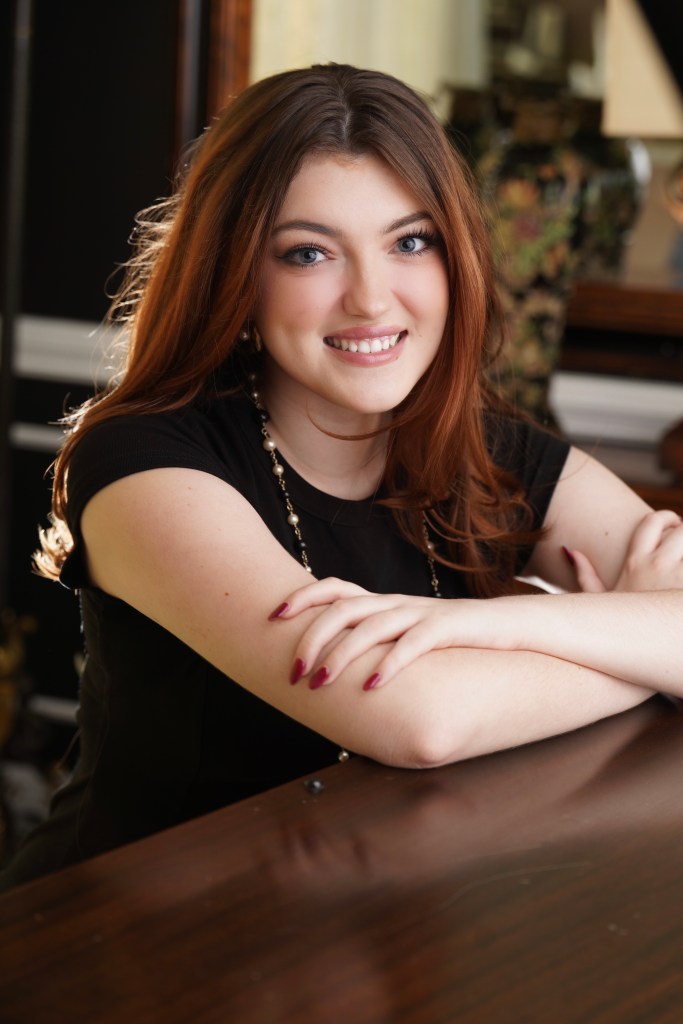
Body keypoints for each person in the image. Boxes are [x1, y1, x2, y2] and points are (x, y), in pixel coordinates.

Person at [2, 63, 682, 890]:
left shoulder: (484, 448)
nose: (370, 299)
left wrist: (505, 627)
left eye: (409, 242)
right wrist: (640, 647)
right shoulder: (141, 465)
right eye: (308, 253)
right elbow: (419, 719)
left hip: (372, 913)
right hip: (128, 933)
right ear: (235, 275)